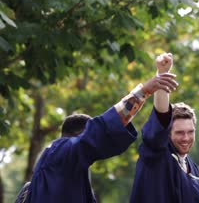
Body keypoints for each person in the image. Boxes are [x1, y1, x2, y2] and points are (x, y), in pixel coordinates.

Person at [16, 69, 178, 203]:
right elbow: (100, 129)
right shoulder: (60, 152)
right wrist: (144, 91)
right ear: (80, 136)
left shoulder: (67, 172)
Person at [130, 53, 199, 203]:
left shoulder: (192, 167)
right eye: (179, 132)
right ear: (167, 133)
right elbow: (161, 115)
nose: (186, 138)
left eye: (190, 132)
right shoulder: (157, 153)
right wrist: (162, 75)